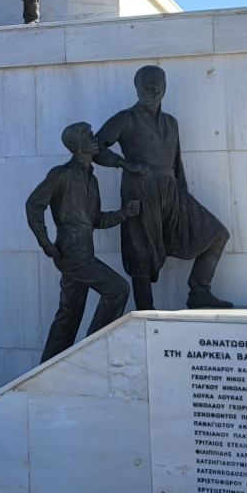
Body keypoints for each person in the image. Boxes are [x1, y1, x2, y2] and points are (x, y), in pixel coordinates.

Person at [94, 65, 233, 311]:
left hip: (172, 189)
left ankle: (199, 291)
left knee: (216, 233)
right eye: (146, 84)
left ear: (165, 88)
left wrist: (183, 192)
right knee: (141, 250)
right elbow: (94, 148)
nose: (152, 89)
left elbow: (177, 161)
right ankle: (146, 310)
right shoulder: (126, 118)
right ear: (137, 88)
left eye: (157, 84)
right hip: (140, 188)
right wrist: (124, 164)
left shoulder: (171, 122)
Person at [28, 123, 142, 363]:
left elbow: (95, 220)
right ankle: (92, 350)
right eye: (88, 135)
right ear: (77, 145)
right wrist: (45, 242)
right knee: (118, 288)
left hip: (84, 249)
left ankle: (49, 365)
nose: (94, 138)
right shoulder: (62, 174)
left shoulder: (92, 180)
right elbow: (34, 204)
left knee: (69, 313)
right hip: (70, 251)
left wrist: (124, 213)